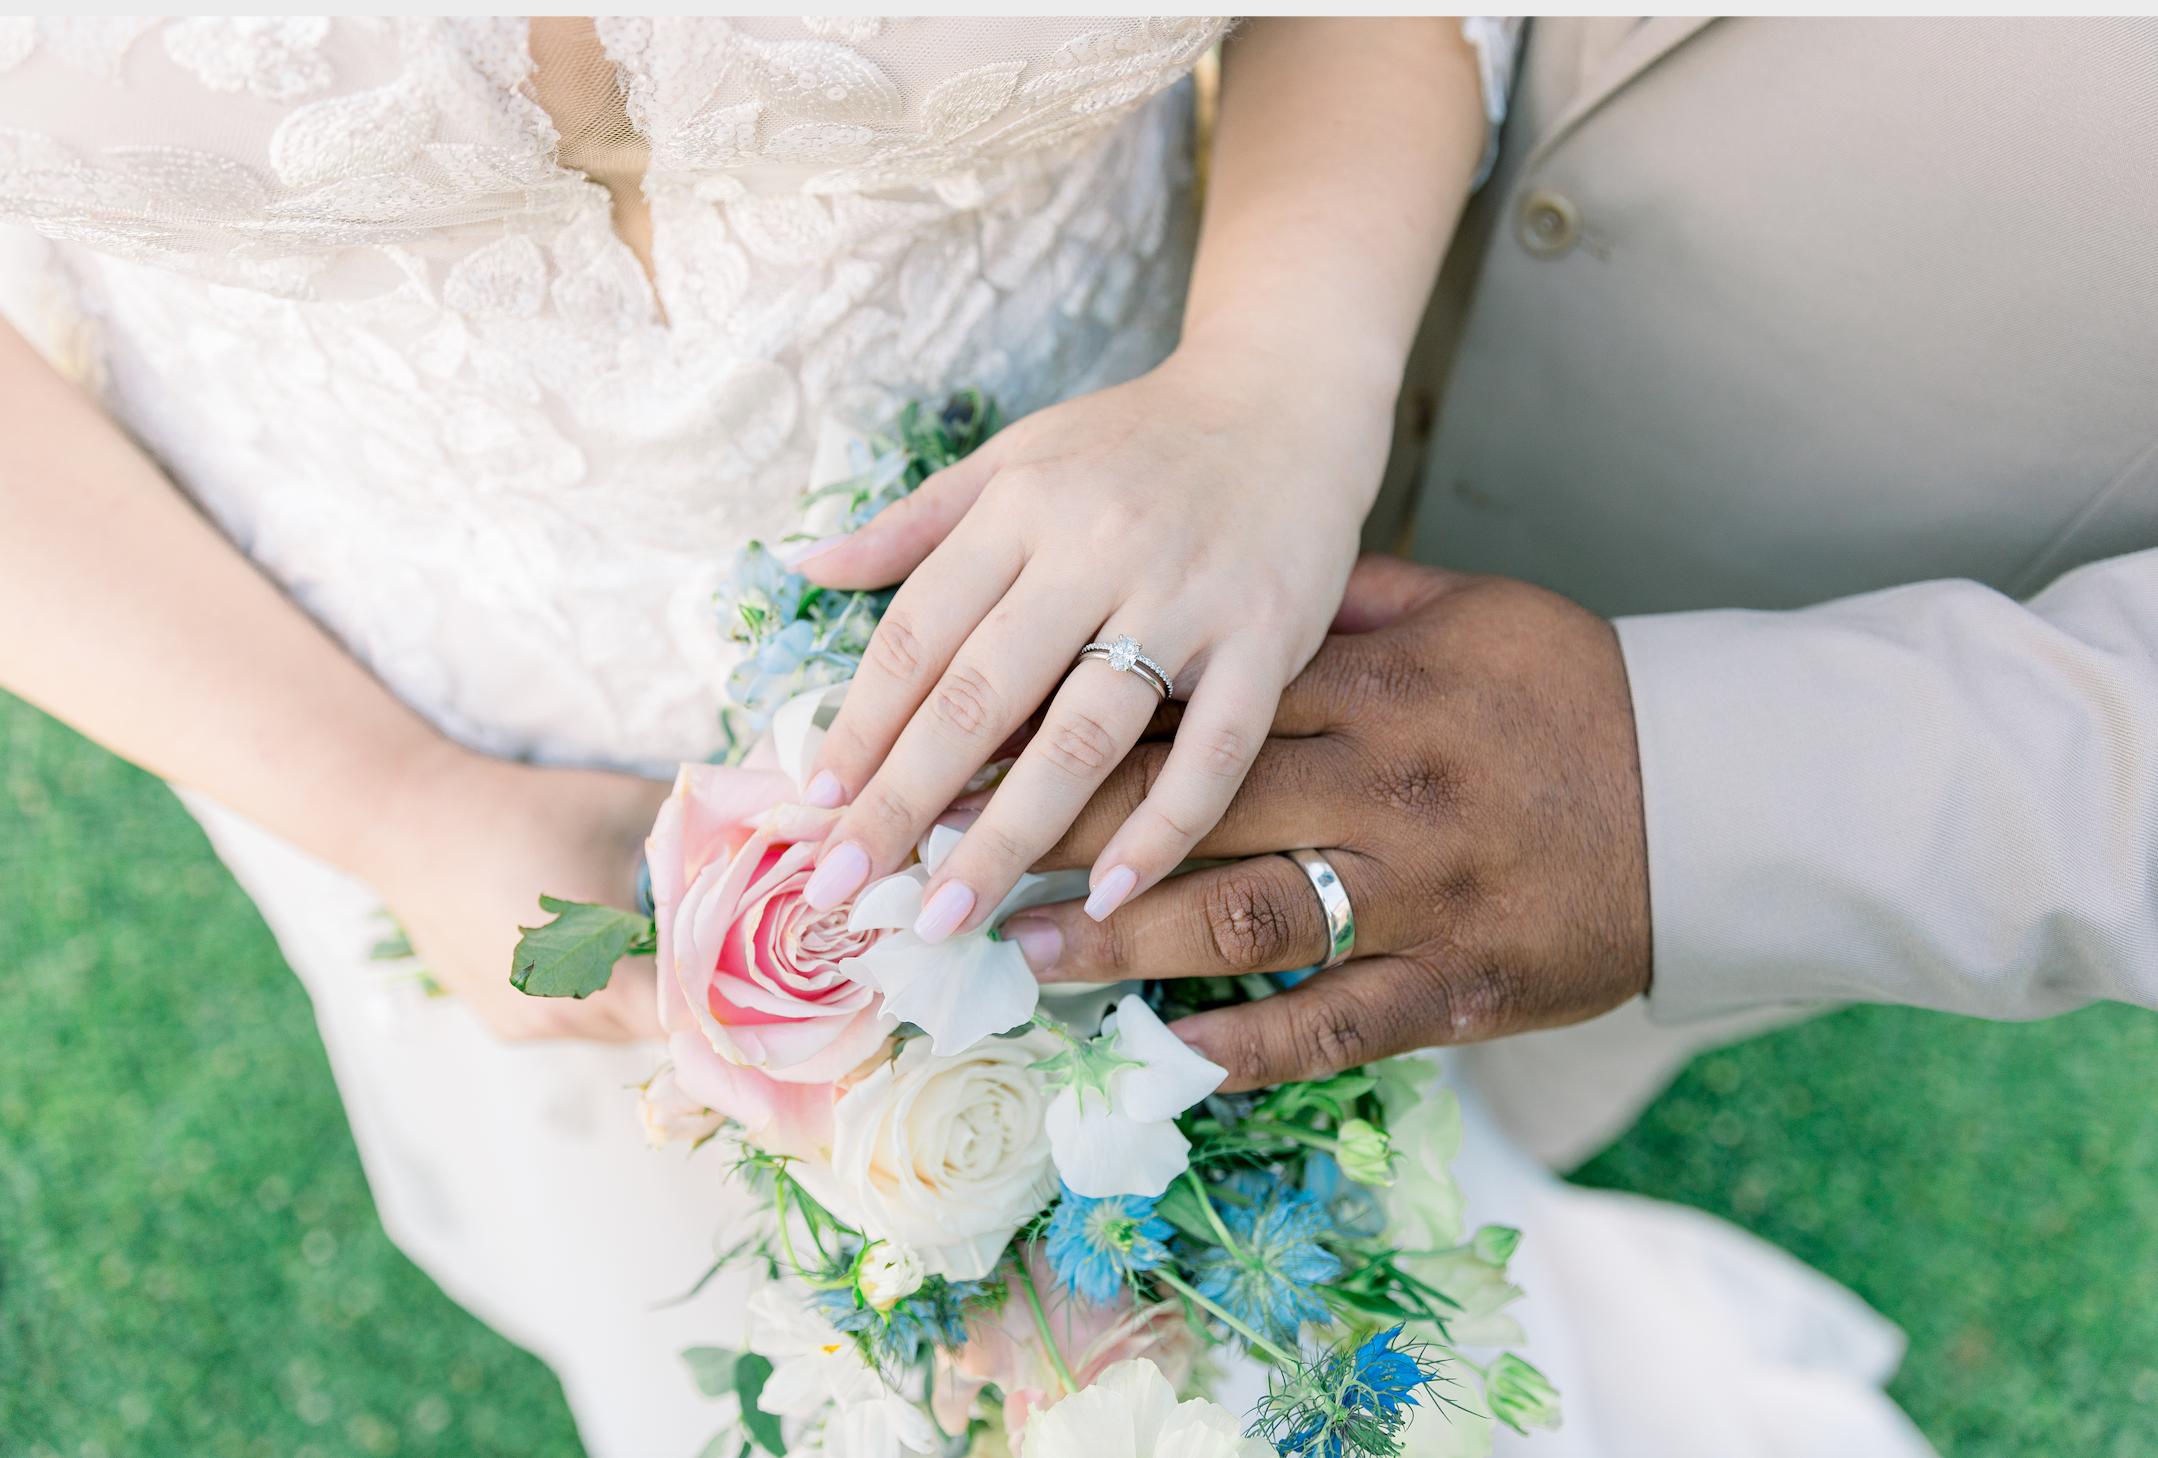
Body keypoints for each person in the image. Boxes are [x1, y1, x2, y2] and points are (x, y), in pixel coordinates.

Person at [0, 17, 1496, 1457]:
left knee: (1241, 1281)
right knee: (702, 1320)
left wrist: (1277, 387)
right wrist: (395, 801)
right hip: (383, 725)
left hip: (1134, 622)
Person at [995, 17, 2158, 1452]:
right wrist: (1280, 360)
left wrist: (1671, 793)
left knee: (1398, 1121)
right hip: (1196, 341)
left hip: (1782, 635)